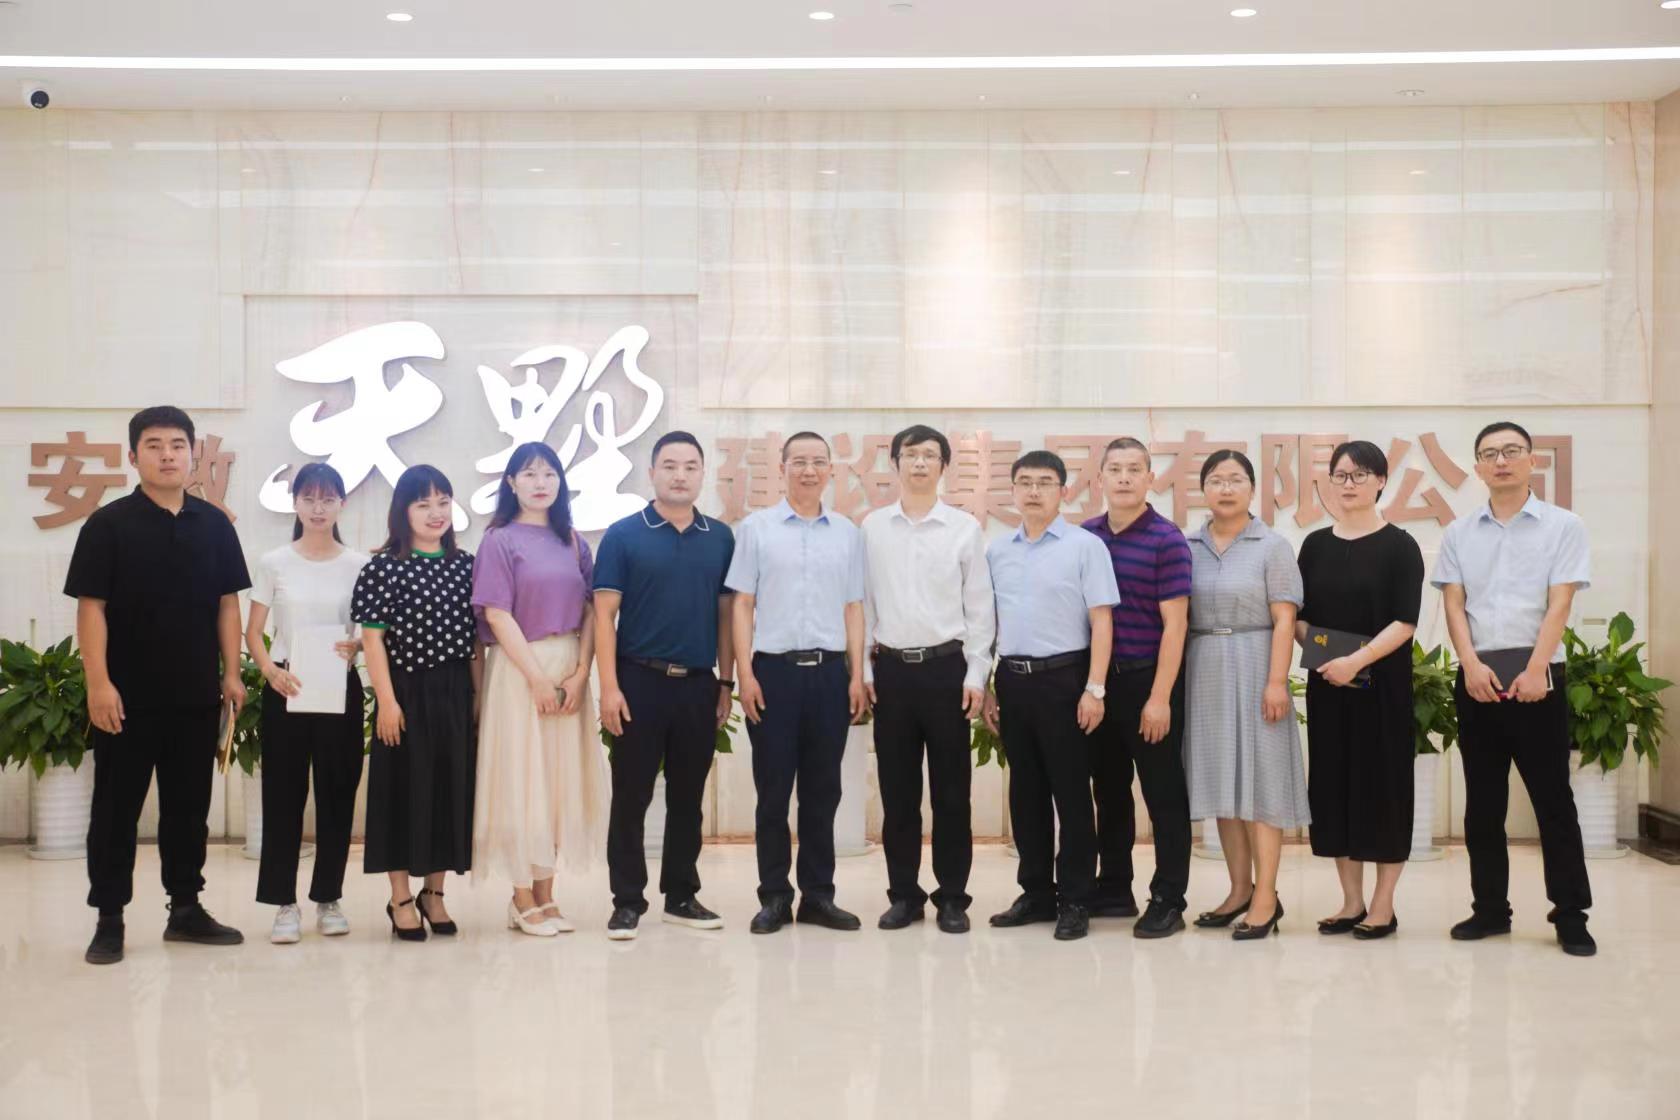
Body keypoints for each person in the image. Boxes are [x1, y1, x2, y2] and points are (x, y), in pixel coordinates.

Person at [68, 405, 251, 965]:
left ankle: (185, 909)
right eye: (154, 445)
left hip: (195, 697)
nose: (167, 454)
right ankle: (109, 918)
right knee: (115, 811)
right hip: (125, 699)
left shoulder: (215, 525)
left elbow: (227, 603)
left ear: (193, 454)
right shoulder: (108, 525)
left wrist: (231, 672)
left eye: (177, 444)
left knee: (188, 809)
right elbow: (91, 609)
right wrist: (98, 683)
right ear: (133, 456)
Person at [1432, 421, 1595, 957]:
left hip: (1539, 679)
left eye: (1511, 451)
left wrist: (1535, 668)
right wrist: (1469, 665)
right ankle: (1489, 910)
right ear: (1477, 467)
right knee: (1482, 804)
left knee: (1553, 801)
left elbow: (1560, 602)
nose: (1500, 461)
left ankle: (1570, 914)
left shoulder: (1563, 526)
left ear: (1531, 460)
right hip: (1478, 679)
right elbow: (1454, 604)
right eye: (1489, 453)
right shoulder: (1459, 533)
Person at [595, 431, 736, 940]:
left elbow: (726, 615)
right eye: (670, 465)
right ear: (652, 472)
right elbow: (603, 616)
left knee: (687, 796)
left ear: (702, 474)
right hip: (638, 682)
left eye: (690, 466)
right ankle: (627, 900)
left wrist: (726, 682)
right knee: (630, 796)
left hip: (698, 686)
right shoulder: (623, 535)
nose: (680, 475)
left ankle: (681, 895)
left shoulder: (720, 538)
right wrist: (609, 687)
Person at [727, 432, 868, 935]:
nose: (809, 470)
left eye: (819, 461)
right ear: (782, 468)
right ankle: (774, 897)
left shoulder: (847, 533)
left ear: (831, 470)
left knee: (823, 791)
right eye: (800, 461)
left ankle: (818, 896)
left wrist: (857, 674)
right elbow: (742, 604)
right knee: (772, 792)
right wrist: (745, 674)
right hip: (774, 674)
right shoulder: (757, 529)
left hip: (830, 675)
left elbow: (854, 607)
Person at [861, 425, 995, 935]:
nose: (919, 463)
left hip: (947, 672)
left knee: (951, 794)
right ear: (894, 463)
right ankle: (904, 895)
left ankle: (953, 897)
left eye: (930, 455)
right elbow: (863, 604)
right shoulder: (872, 528)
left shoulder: (964, 528)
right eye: (911, 454)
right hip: (891, 672)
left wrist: (977, 674)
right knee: (897, 793)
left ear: (944, 466)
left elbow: (979, 608)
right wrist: (865, 671)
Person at [982, 451, 1119, 942]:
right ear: (1013, 491)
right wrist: (989, 685)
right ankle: (1036, 892)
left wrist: (1095, 689)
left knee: (1072, 794)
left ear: (1063, 491)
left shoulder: (1085, 547)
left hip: (1067, 679)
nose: (1034, 491)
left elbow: (1102, 620)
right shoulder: (997, 551)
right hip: (1013, 680)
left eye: (1044, 482)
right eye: (1025, 482)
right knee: (1026, 793)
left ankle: (1076, 898)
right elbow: (989, 623)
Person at [470, 442, 605, 937]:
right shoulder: (499, 540)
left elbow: (591, 610)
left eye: (549, 473)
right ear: (511, 483)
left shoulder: (573, 541)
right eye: (529, 474)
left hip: (568, 668)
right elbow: (496, 613)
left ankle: (547, 896)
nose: (540, 482)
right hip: (519, 670)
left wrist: (580, 672)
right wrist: (537, 679)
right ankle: (521, 897)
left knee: (557, 784)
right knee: (521, 782)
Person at [1295, 440, 1424, 941]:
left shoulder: (1401, 546)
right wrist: (1332, 660)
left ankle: (1383, 905)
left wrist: (1356, 660)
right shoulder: (1314, 546)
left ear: (1381, 481)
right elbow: (1299, 618)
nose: (1349, 484)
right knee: (1335, 788)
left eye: (1360, 475)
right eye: (1340, 475)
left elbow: (1405, 622)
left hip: (1383, 688)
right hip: (1330, 686)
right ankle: (1351, 901)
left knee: (1384, 790)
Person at [1183, 450, 1309, 941]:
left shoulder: (1272, 546)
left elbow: (1285, 619)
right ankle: (1239, 889)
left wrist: (1277, 681)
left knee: (1262, 783)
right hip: (1205, 667)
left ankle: (1266, 897)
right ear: (1203, 489)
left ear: (1253, 489)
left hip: (1258, 663)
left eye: (1236, 479)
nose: (1226, 488)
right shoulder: (1188, 545)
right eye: (1216, 480)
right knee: (1222, 782)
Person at [353, 465, 481, 942]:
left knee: (449, 789)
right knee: (401, 792)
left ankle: (435, 893)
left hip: (455, 691)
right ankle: (400, 897)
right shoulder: (383, 567)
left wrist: (478, 697)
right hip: (404, 693)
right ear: (402, 511)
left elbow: (476, 643)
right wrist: (386, 702)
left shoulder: (466, 565)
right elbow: (372, 641)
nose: (435, 513)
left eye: (443, 502)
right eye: (423, 504)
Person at [246, 462, 368, 944]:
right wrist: (269, 670)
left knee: (337, 794)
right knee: (283, 797)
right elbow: (254, 632)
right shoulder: (274, 562)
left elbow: (368, 632)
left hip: (338, 689)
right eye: (309, 498)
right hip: (287, 688)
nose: (318, 508)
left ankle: (328, 898)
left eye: (328, 499)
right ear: (295, 503)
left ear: (341, 504)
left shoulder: (358, 564)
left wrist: (358, 646)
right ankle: (284, 903)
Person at [1081, 437, 1194, 939]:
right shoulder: (1085, 537)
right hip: (1099, 684)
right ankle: (1114, 887)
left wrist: (1160, 698)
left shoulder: (1167, 540)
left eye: (1134, 469)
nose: (1124, 478)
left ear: (1151, 479)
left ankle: (1169, 898)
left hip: (1149, 680)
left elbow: (1176, 625)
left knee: (1163, 793)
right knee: (1108, 790)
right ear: (1100, 479)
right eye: (1115, 469)